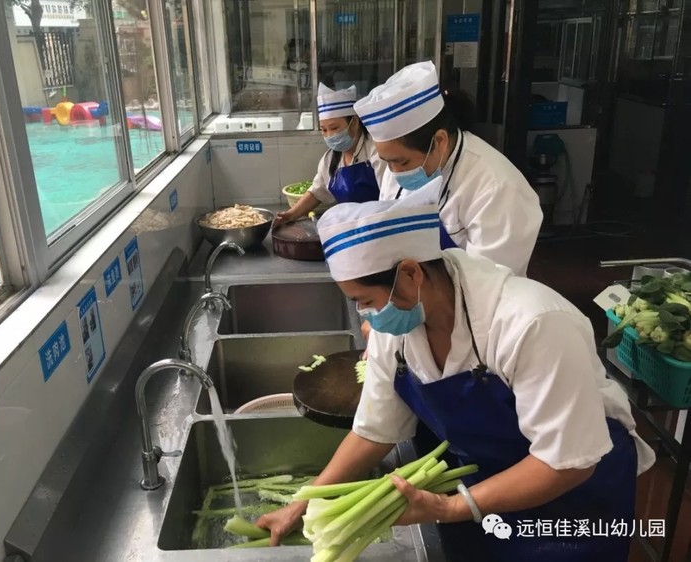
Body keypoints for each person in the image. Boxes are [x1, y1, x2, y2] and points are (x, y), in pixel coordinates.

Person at [256, 189, 655, 561]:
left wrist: (452, 507)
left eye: (366, 301)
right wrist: (304, 501)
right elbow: (374, 431)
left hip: (573, 499)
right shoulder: (398, 329)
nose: (366, 316)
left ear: (411, 274)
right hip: (489, 486)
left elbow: (568, 463)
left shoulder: (533, 323)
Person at [353, 60, 542, 277]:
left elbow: (488, 280)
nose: (394, 173)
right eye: (387, 162)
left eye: (403, 162)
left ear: (439, 141)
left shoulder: (497, 187)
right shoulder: (395, 166)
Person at [274, 83, 388, 227]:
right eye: (324, 130)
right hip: (350, 227)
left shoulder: (376, 151)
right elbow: (317, 192)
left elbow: (389, 197)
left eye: (334, 128)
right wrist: (290, 215)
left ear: (354, 123)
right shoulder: (330, 160)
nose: (329, 135)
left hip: (380, 225)